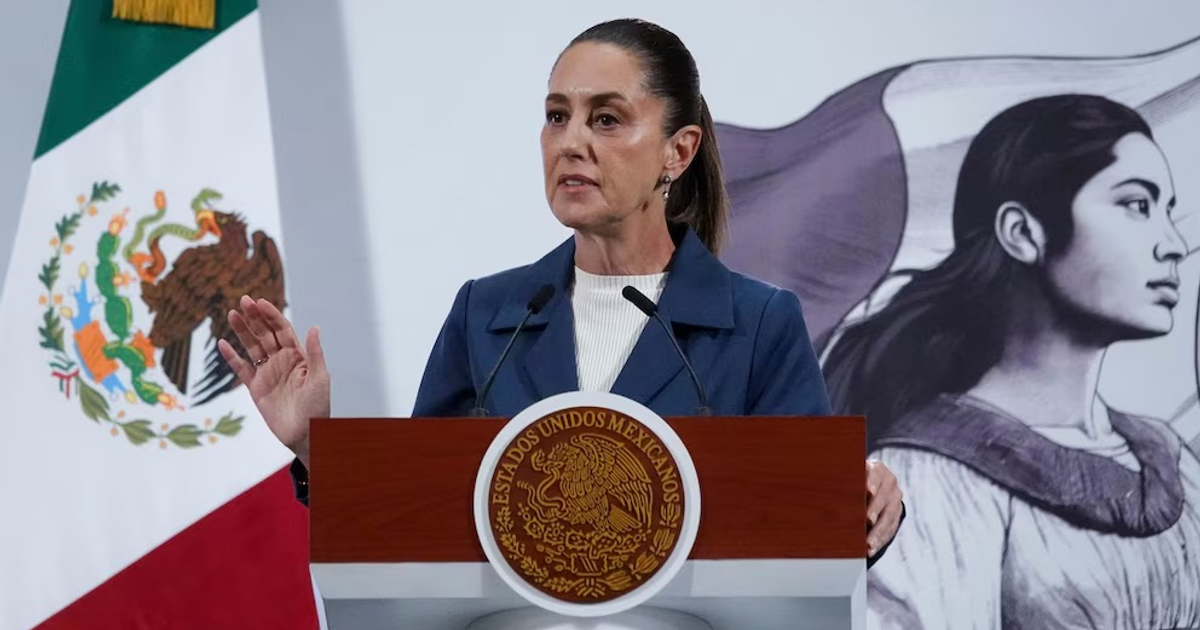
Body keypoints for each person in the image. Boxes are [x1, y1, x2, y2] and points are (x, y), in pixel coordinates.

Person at [219, 18, 904, 562]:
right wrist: (317, 446)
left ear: (679, 150)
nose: (570, 142)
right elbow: (417, 526)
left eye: (606, 119)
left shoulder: (758, 323)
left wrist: (870, 506)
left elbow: (811, 535)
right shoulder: (488, 315)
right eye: (556, 116)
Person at [822, 94, 1199, 628]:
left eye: (1167, 210)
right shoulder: (927, 479)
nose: (1174, 244)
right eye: (1138, 205)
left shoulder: (1173, 460)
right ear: (1023, 234)